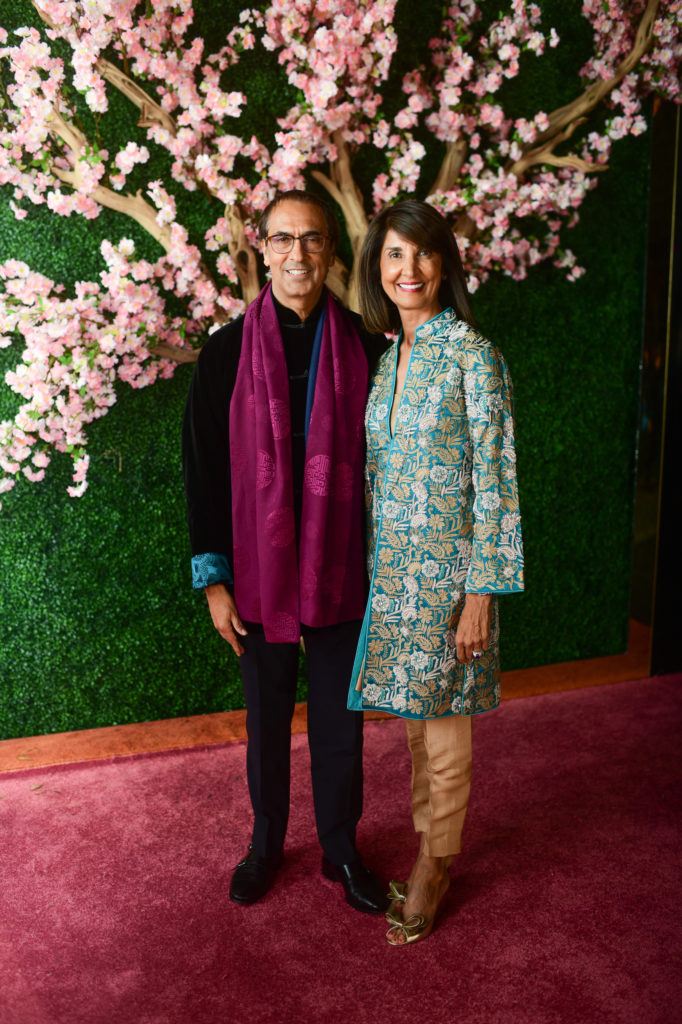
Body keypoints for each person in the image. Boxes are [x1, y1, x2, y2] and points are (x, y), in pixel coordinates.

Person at [182, 190, 389, 914]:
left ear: (331, 250)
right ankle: (266, 844)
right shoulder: (226, 351)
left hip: (340, 569)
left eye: (312, 240)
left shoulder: (367, 345)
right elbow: (203, 470)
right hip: (258, 571)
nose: (298, 254)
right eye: (283, 239)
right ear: (262, 248)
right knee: (266, 719)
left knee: (340, 719)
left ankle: (340, 848)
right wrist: (213, 580)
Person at [348, 199, 524, 945]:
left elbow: (497, 478)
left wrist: (481, 593)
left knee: (445, 728)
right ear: (376, 268)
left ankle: (435, 864)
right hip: (393, 581)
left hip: (452, 580)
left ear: (445, 264)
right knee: (418, 727)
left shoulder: (471, 354)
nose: (408, 269)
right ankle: (432, 843)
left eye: (421, 254)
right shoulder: (390, 356)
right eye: (393, 255)